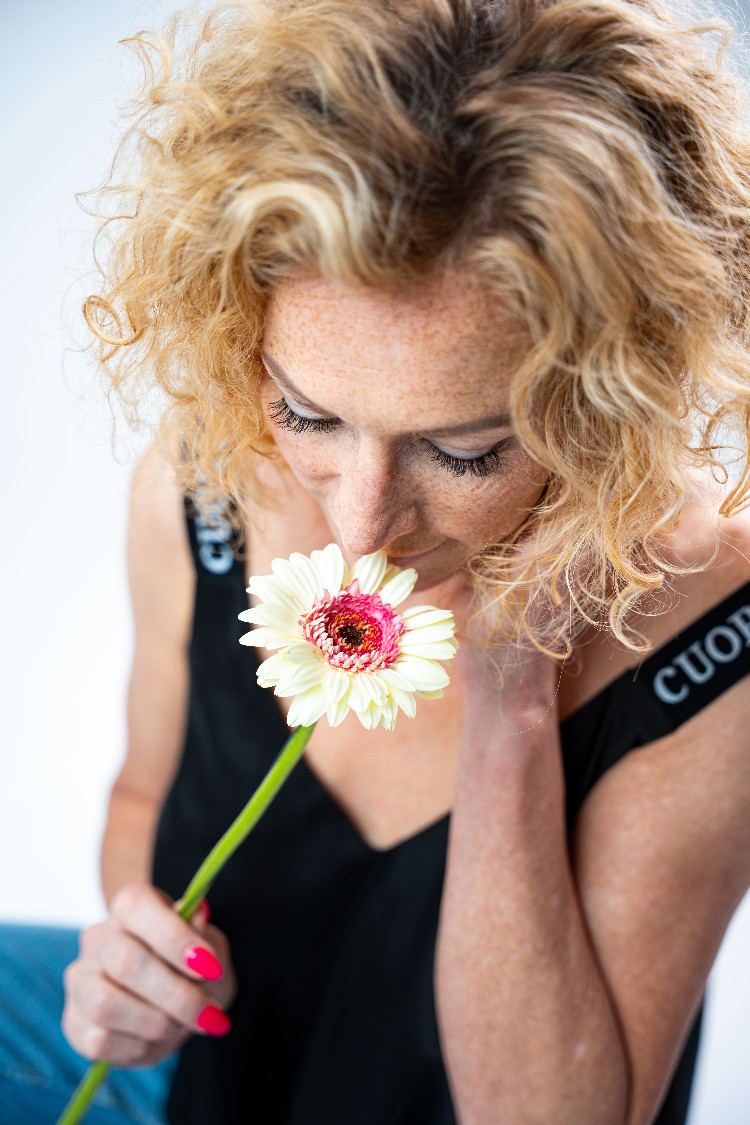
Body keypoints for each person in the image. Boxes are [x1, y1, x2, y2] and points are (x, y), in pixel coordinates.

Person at [5, 0, 750, 1122]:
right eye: (309, 415)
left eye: (465, 451)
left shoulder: (712, 631)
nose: (359, 528)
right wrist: (139, 955)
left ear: (607, 399)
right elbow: (145, 791)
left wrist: (514, 687)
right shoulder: (207, 476)